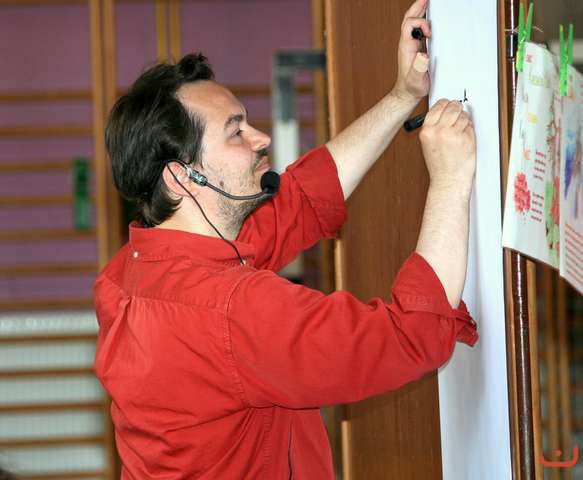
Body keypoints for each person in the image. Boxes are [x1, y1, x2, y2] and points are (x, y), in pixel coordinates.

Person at [94, 0, 478, 478]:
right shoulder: (230, 312)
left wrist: (403, 95)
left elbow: (303, 198)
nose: (261, 138)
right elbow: (411, 336)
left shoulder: (131, 272)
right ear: (183, 177)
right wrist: (450, 180)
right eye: (236, 133)